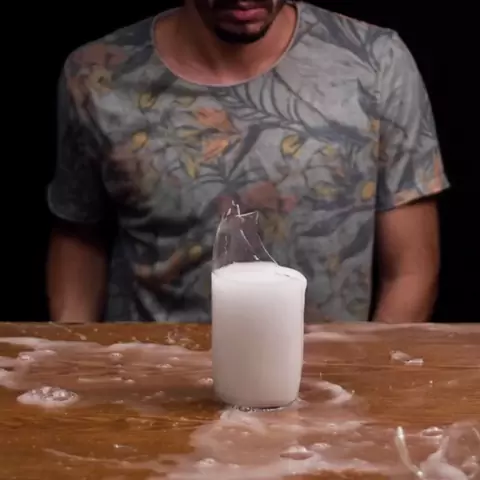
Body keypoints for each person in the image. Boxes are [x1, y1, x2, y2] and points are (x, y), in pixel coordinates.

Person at [47, 0, 449, 324]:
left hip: (327, 385)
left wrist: (368, 382)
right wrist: (72, 356)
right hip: (148, 381)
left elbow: (411, 272)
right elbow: (80, 233)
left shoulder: (375, 63)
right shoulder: (96, 75)